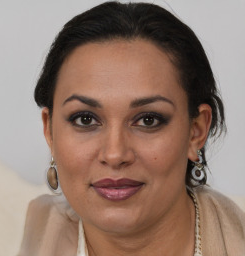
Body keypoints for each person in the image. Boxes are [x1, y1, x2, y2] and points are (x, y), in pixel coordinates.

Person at [18, 2, 245, 255]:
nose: (115, 154)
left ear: (196, 131)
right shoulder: (9, 236)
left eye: (148, 120)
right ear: (50, 132)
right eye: (85, 119)